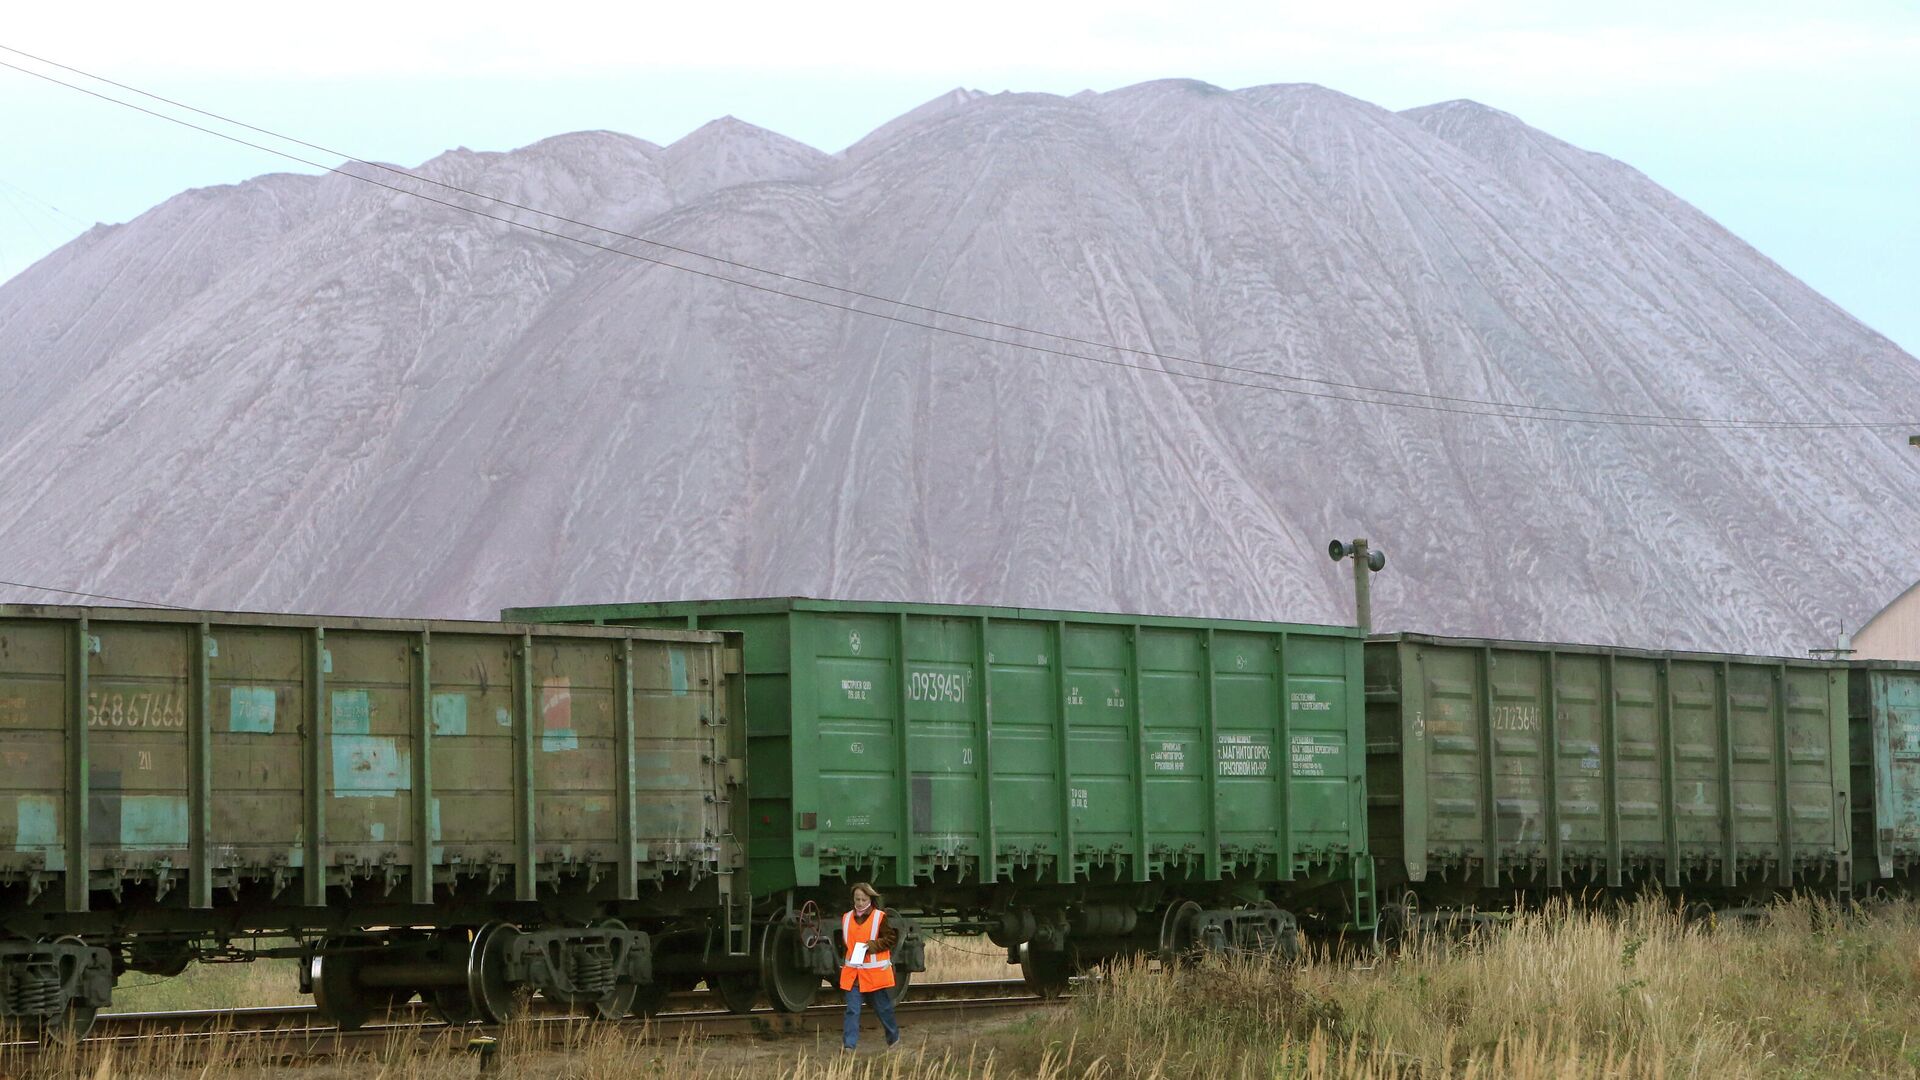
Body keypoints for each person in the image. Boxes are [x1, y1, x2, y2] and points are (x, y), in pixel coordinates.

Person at [839, 881, 900, 1052]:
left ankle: (893, 1039)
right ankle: (849, 1047)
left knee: (884, 1009)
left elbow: (890, 940)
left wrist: (871, 945)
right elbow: (845, 944)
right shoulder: (846, 918)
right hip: (854, 975)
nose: (859, 903)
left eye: (863, 899)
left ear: (870, 900)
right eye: (857, 899)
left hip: (874, 976)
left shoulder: (880, 917)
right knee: (852, 1010)